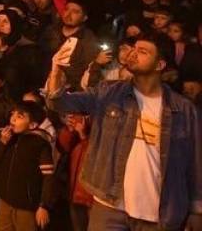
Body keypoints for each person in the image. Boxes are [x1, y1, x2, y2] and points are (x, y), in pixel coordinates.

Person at [47, 32, 202, 231]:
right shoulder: (109, 92)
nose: (133, 54)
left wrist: (197, 211)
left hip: (159, 212)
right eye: (134, 48)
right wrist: (56, 72)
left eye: (143, 51)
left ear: (160, 65)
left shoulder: (184, 109)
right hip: (110, 204)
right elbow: (59, 102)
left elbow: (195, 161)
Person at [0, 101, 57, 231]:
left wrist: (44, 205)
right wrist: (2, 142)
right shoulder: (10, 138)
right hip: (5, 200)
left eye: (19, 116)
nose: (13, 119)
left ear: (32, 125)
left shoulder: (40, 144)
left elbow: (49, 177)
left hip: (26, 207)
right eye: (13, 114)